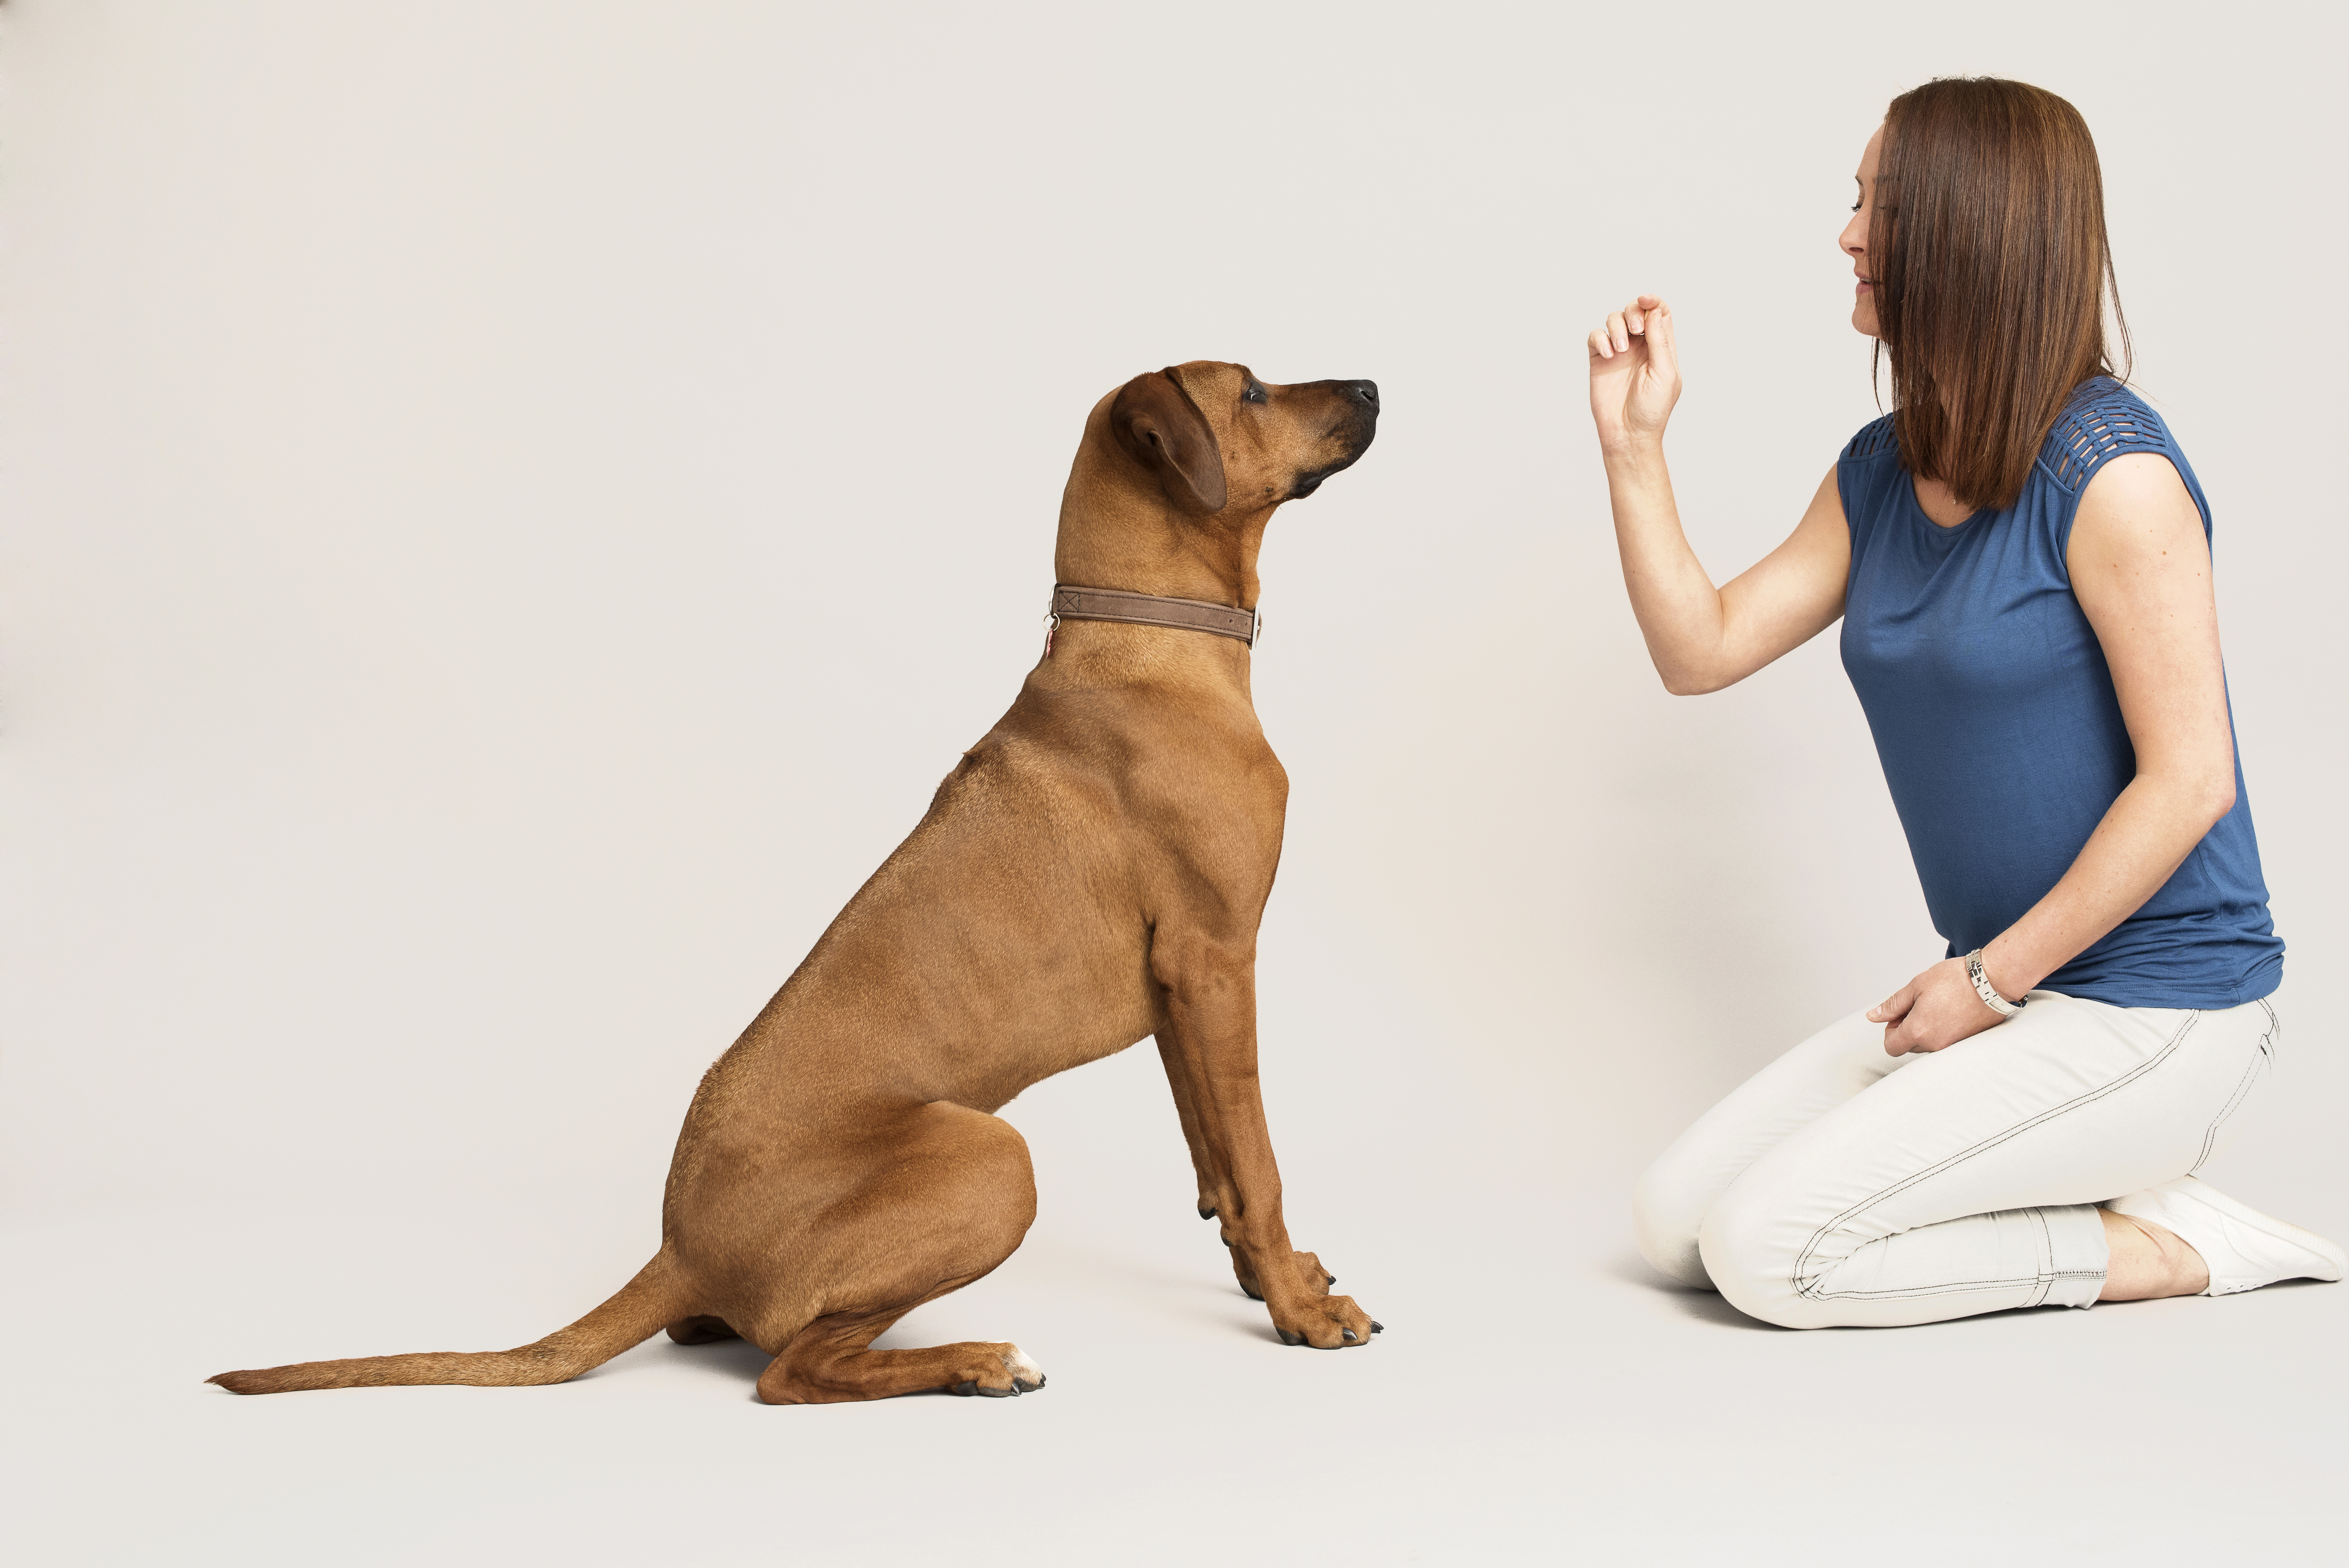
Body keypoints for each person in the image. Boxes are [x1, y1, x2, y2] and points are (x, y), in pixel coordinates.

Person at [1592, 76, 2341, 1328]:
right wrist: (1634, 452)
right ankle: (2083, 1190)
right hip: (2013, 993)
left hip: (2161, 1008)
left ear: (1965, 228)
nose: (1846, 237)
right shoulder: (1885, 468)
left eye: (1876, 207)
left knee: (1774, 1256)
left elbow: (2192, 779)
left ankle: (2167, 1246)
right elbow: (1702, 650)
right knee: (1677, 1225)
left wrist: (1988, 986)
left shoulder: (2118, 480)